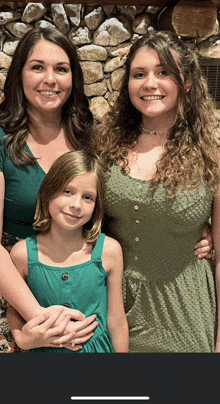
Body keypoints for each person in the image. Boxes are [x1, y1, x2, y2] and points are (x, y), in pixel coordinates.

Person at [92, 30, 220, 353]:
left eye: (163, 72)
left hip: (186, 313)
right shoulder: (105, 145)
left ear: (186, 82)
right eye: (139, 74)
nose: (150, 83)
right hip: (114, 310)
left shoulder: (211, 154)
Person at [0, 26, 98, 352]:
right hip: (19, 301)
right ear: (19, 74)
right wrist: (42, 321)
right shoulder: (2, 142)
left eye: (61, 69)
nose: (50, 79)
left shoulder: (91, 137)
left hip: (83, 296)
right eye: (37, 67)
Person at [7, 150, 129, 353]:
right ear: (48, 191)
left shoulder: (109, 251)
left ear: (96, 206)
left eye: (88, 197)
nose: (76, 205)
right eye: (67, 192)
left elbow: (116, 320)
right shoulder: (22, 254)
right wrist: (22, 338)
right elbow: (15, 310)